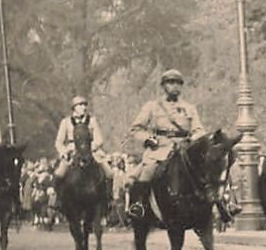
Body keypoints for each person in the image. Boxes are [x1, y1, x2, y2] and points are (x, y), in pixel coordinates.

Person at [128, 69, 205, 221]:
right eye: (170, 83)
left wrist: (192, 139)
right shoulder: (152, 106)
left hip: (184, 149)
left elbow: (199, 129)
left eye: (178, 83)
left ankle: (221, 206)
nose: (175, 86)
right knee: (147, 171)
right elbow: (136, 128)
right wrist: (147, 139)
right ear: (163, 86)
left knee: (208, 170)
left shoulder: (190, 108)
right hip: (159, 149)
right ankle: (139, 206)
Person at [52, 96, 109, 181]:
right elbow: (59, 142)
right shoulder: (66, 122)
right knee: (58, 174)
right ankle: (59, 193)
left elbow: (99, 139)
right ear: (74, 107)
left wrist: (92, 147)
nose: (84, 107)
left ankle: (110, 193)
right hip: (72, 150)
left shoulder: (92, 120)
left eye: (85, 105)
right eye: (81, 105)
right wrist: (63, 151)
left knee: (109, 172)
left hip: (90, 150)